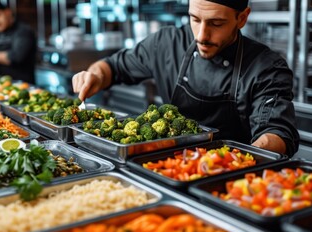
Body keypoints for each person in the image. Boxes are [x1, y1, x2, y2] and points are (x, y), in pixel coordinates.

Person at [72, 0, 299, 157]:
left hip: (231, 175)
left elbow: (277, 135)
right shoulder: (166, 43)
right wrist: (94, 75)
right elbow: (111, 67)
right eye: (195, 19)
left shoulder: (266, 67)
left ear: (242, 18)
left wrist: (229, 161)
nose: (201, 35)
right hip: (163, 166)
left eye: (216, 23)